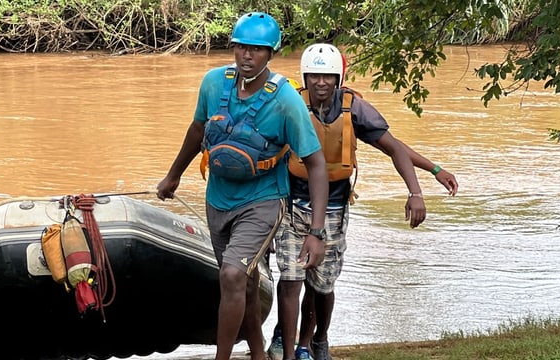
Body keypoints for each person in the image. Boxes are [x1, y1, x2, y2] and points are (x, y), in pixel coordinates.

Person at [265, 43, 460, 360]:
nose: (321, 83)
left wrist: (422, 183)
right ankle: (288, 349)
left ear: (339, 77)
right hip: (291, 206)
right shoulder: (290, 104)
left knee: (321, 285)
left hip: (333, 209)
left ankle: (316, 340)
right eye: (314, 76)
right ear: (305, 76)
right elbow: (265, 149)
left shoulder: (353, 109)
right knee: (290, 278)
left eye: (328, 76)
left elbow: (393, 147)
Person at [156, 12, 331, 360]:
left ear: (271, 53)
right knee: (245, 284)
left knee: (233, 274)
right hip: (218, 198)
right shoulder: (213, 83)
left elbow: (316, 164)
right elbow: (197, 131)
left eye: (256, 50)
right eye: (241, 48)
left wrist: (316, 231)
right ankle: (257, 354)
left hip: (264, 200)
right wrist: (173, 175)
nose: (247, 56)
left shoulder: (286, 101)